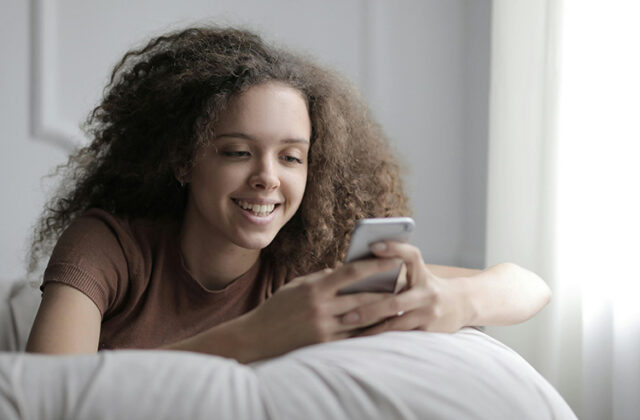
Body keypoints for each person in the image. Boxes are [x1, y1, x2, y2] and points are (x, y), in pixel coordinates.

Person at [26, 26, 550, 362]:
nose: (267, 178)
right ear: (183, 161)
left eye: (291, 156)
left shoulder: (304, 261)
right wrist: (260, 334)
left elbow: (528, 288)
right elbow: (48, 396)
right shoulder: (108, 247)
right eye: (236, 152)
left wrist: (453, 300)